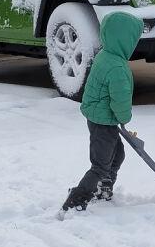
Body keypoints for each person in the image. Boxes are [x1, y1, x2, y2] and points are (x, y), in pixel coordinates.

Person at [61, 11, 143, 212]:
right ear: (126, 39)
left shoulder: (105, 55)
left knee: (117, 155)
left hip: (100, 118)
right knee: (100, 165)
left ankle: (103, 188)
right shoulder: (117, 67)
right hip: (104, 121)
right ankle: (76, 200)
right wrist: (124, 117)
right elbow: (120, 99)